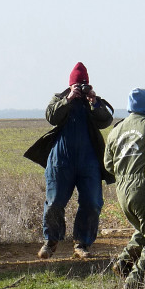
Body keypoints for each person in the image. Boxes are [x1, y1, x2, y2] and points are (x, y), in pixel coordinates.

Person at [24, 63, 114, 259]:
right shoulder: (59, 98)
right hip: (61, 161)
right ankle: (51, 241)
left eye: (83, 85)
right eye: (77, 85)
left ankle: (82, 244)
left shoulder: (93, 101)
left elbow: (106, 120)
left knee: (91, 202)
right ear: (71, 85)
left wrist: (94, 101)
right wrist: (68, 99)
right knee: (55, 202)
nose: (80, 88)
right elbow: (51, 117)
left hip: (88, 161)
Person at [104, 88, 145, 289]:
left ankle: (123, 263)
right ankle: (135, 282)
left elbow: (108, 165)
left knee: (142, 229)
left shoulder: (116, 131)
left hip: (122, 192)